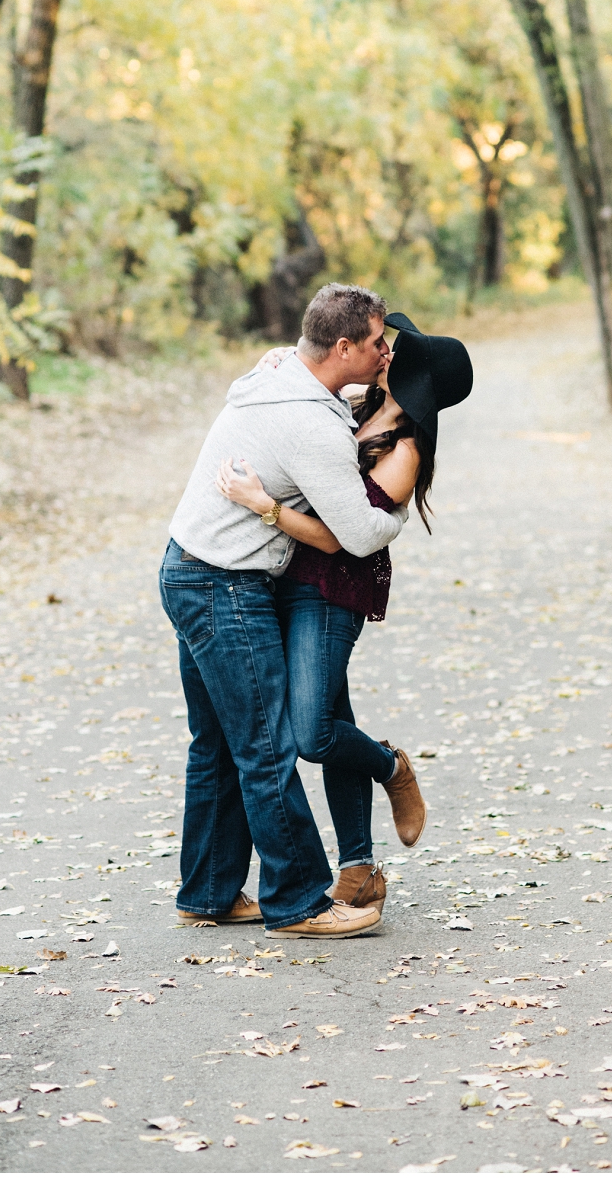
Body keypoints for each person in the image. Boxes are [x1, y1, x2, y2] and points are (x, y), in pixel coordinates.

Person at [159, 284, 408, 939]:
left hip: (186, 567)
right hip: (225, 586)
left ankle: (207, 891)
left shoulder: (275, 376)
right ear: (344, 346)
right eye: (377, 340)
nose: (386, 351)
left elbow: (299, 387)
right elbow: (358, 534)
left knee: (216, 746)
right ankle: (298, 900)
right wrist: (398, 513)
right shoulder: (309, 424)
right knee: (266, 749)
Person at [217, 310, 473, 919]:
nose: (385, 352)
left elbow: (344, 535)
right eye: (384, 345)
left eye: (395, 351)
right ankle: (359, 869)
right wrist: (275, 358)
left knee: (313, 732)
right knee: (332, 719)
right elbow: (296, 375)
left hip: (331, 589)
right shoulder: (354, 406)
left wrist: (264, 508)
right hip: (283, 576)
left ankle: (391, 766)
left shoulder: (405, 452)